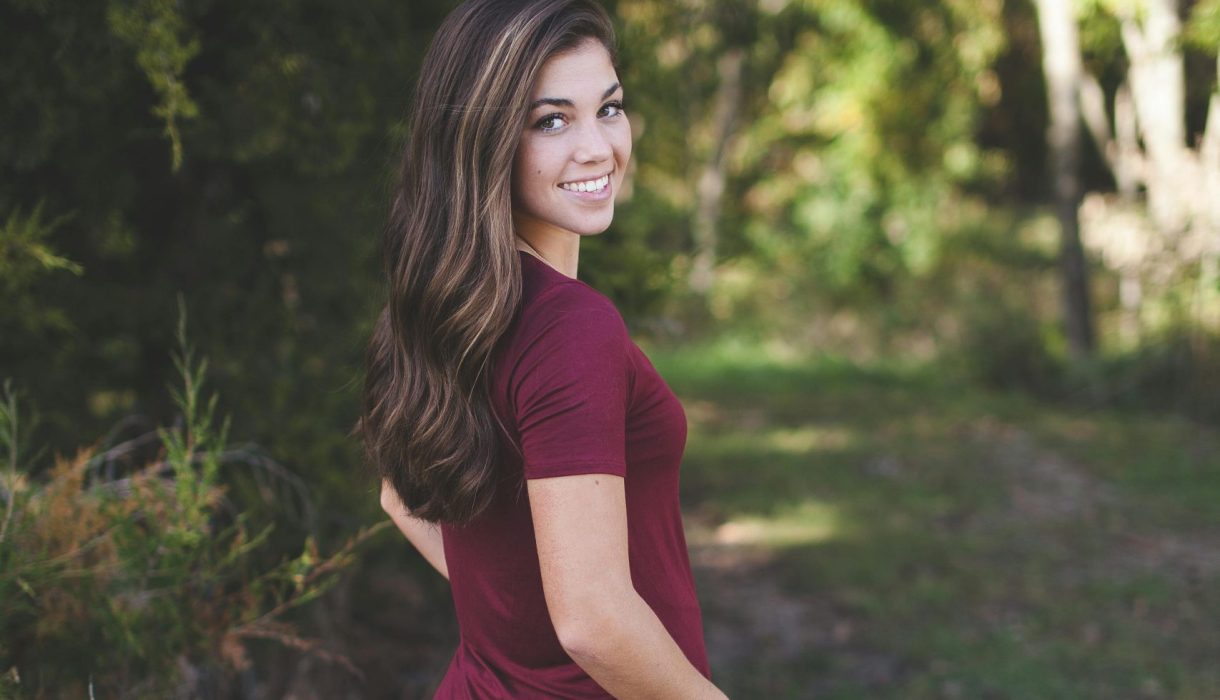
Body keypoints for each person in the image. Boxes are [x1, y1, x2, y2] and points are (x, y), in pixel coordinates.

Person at [360, 1, 728, 697]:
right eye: (551, 121)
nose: (598, 148)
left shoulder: (450, 301)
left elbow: (398, 498)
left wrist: (520, 635)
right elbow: (594, 623)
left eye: (609, 109)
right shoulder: (570, 328)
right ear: (483, 139)